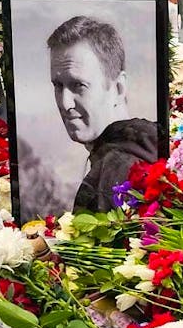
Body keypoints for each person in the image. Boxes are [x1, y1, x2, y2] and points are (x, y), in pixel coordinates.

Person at [47, 16, 158, 212]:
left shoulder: (115, 173)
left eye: (79, 85)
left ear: (118, 87)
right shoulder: (143, 147)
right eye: (58, 86)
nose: (65, 103)